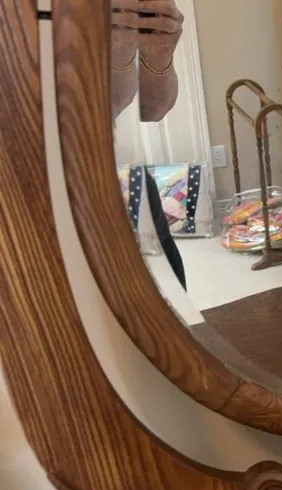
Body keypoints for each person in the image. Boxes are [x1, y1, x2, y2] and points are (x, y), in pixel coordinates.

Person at [111, 0, 188, 289]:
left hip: (123, 186)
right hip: (23, 207)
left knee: (169, 307)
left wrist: (158, 53)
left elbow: (152, 109)